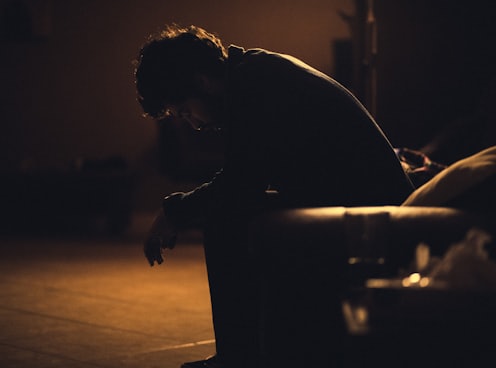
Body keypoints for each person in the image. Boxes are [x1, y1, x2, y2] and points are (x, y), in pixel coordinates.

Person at [134, 24, 414, 368]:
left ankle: (239, 357)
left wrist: (173, 212)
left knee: (227, 220)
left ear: (202, 82)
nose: (193, 124)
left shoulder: (254, 86)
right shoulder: (252, 74)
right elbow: (248, 177)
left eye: (186, 112)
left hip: (375, 214)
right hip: (355, 201)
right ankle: (248, 353)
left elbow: (240, 185)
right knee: (239, 214)